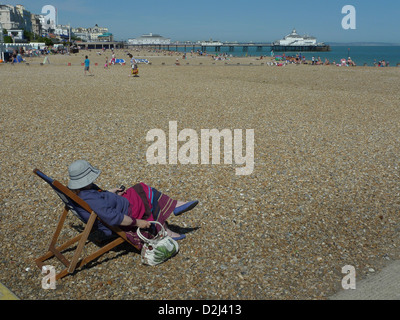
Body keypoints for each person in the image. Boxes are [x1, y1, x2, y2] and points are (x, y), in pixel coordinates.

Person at [67, 160, 198, 248]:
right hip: (127, 213)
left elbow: (101, 199)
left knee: (142, 189)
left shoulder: (83, 191)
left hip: (122, 205)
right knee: (147, 199)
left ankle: (174, 208)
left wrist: (111, 192)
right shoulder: (90, 198)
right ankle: (167, 225)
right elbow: (113, 217)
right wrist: (137, 223)